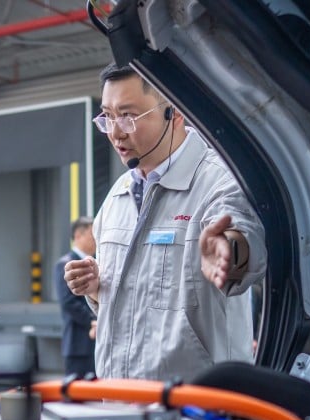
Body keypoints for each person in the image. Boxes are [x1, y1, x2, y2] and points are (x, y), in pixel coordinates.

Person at [64, 63, 266, 381]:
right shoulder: (118, 195)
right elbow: (131, 304)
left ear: (175, 111)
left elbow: (245, 238)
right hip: (119, 402)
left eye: (128, 115)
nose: (115, 132)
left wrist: (230, 251)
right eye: (107, 116)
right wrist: (94, 289)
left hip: (197, 408)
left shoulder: (219, 180)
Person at [54, 217, 97, 377]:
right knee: (77, 396)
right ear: (78, 235)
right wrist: (94, 320)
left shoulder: (96, 264)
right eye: (93, 234)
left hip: (96, 341)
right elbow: (69, 302)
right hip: (78, 344)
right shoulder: (66, 264)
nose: (96, 239)